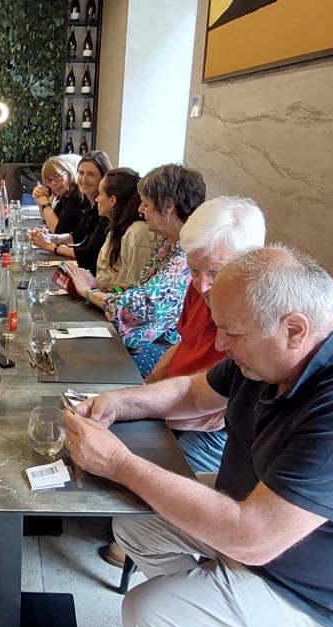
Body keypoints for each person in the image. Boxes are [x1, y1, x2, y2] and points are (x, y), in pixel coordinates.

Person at [63, 246, 333, 627]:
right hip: (261, 514)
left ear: (294, 329)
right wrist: (121, 402)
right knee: (134, 522)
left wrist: (119, 463)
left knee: (148, 618)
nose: (219, 343)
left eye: (233, 333)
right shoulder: (277, 355)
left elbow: (253, 538)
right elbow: (195, 392)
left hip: (326, 592)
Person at [98, 196, 267, 569]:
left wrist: (150, 421)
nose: (202, 284)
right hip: (189, 403)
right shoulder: (199, 286)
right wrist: (147, 392)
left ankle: (137, 538)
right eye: (194, 269)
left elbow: (215, 414)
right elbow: (182, 344)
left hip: (217, 431)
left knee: (141, 470)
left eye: (215, 272)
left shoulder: (254, 320)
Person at [67, 164, 206, 375]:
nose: (140, 209)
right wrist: (99, 284)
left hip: (162, 351)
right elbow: (140, 287)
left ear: (168, 207)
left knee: (77, 360)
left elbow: (136, 307)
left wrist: (87, 291)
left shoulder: (186, 255)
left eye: (146, 204)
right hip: (148, 343)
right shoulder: (169, 243)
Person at [29, 150, 112, 271]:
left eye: (91, 174)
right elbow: (77, 236)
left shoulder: (105, 210)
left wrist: (49, 246)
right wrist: (50, 238)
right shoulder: (90, 202)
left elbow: (88, 254)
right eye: (81, 173)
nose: (83, 179)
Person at [31, 154, 87, 235]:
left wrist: (45, 204)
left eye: (57, 177)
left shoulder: (78, 196)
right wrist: (40, 201)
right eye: (48, 181)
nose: (53, 184)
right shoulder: (65, 196)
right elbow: (48, 221)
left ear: (69, 173)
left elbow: (59, 231)